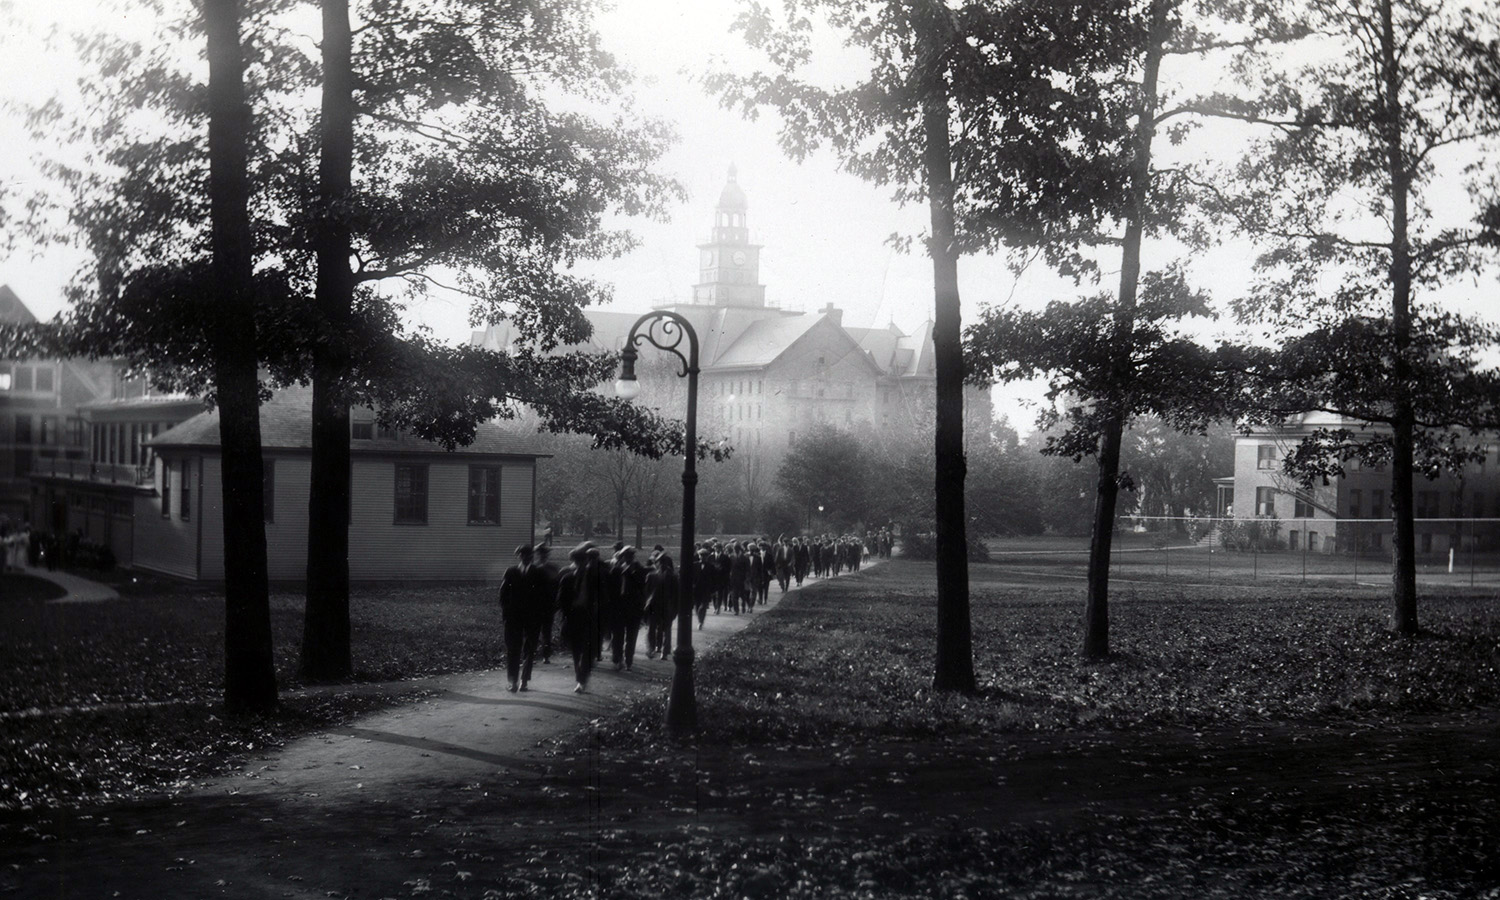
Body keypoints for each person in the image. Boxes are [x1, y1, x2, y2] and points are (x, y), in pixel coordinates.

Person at [556, 542, 603, 693]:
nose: (581, 565)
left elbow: (603, 599)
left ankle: (582, 679)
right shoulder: (567, 579)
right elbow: (561, 600)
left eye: (583, 562)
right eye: (578, 562)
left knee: (589, 651)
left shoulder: (595, 579)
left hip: (590, 618)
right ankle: (580, 676)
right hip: (574, 617)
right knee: (576, 650)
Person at [498, 544, 535, 692]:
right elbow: (503, 595)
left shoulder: (537, 573)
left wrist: (539, 614)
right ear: (518, 556)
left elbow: (544, 596)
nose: (526, 558)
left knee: (529, 649)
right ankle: (512, 681)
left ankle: (524, 680)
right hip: (513, 618)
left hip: (532, 618)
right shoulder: (511, 572)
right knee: (513, 649)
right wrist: (507, 613)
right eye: (523, 555)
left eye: (529, 555)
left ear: (532, 556)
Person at [644, 552, 678, 660]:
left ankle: (661, 650)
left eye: (664, 562)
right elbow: (646, 592)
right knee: (655, 629)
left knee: (663, 629)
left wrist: (675, 608)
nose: (662, 564)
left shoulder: (671, 576)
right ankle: (655, 649)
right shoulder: (652, 576)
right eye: (660, 562)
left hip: (664, 606)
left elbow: (676, 594)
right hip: (657, 606)